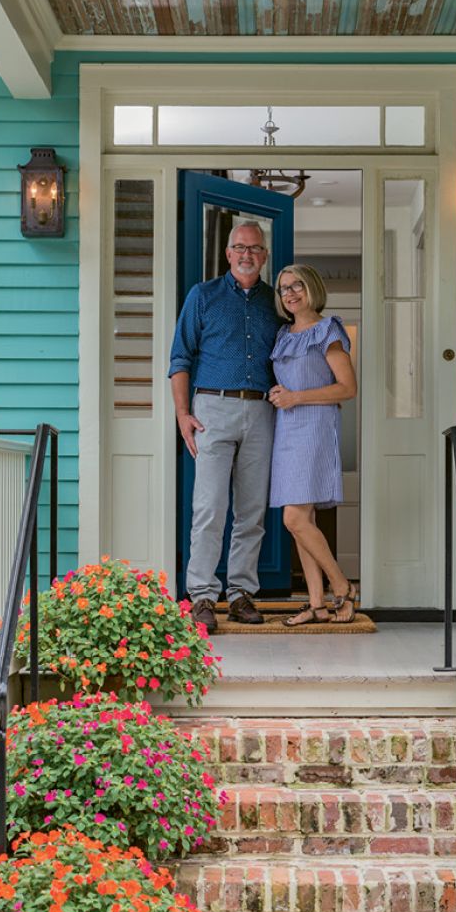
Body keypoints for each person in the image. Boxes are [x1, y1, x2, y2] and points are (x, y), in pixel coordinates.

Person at [169, 220, 283, 633]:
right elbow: (180, 359)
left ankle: (240, 594)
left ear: (264, 256)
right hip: (212, 408)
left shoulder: (277, 301)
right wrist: (183, 415)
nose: (247, 254)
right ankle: (202, 596)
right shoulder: (204, 296)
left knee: (251, 511)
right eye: (239, 247)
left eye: (254, 248)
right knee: (210, 508)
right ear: (228, 253)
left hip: (262, 410)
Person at [268, 264, 358, 625]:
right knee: (301, 519)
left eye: (297, 286)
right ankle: (317, 604)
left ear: (313, 288)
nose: (290, 293)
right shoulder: (283, 334)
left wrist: (296, 397)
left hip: (315, 425)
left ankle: (343, 588)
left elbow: (347, 388)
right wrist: (281, 395)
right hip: (287, 428)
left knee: (294, 516)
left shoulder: (327, 330)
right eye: (284, 288)